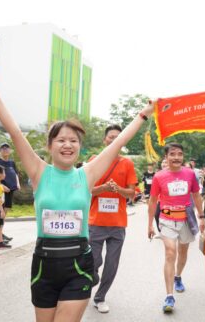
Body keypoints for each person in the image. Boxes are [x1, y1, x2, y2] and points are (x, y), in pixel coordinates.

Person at [0, 61, 155, 322]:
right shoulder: (39, 171)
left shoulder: (87, 173)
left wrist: (144, 114)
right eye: (61, 140)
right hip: (44, 265)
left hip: (79, 264)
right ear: (50, 145)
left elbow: (120, 141)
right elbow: (14, 132)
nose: (68, 145)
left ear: (79, 146)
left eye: (73, 140)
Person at [147, 143, 205, 313]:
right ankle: (169, 296)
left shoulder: (190, 174)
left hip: (186, 219)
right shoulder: (159, 176)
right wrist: (150, 224)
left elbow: (196, 196)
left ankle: (178, 276)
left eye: (180, 154)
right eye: (172, 154)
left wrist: (202, 217)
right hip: (166, 219)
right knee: (170, 252)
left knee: (183, 251)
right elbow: (152, 201)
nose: (176, 157)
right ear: (166, 157)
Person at [87, 124, 138, 314]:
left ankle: (100, 297)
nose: (114, 139)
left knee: (111, 264)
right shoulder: (94, 161)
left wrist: (118, 189)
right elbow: (86, 190)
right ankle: (90, 279)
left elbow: (132, 193)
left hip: (117, 224)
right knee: (93, 261)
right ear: (104, 140)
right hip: (96, 223)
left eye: (118, 137)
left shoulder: (127, 164)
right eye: (111, 137)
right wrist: (103, 189)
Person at [0, 143, 20, 243]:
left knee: (5, 212)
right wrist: (1, 186)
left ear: (10, 151)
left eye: (7, 148)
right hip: (1, 191)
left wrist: (18, 183)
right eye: (3, 148)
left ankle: (0, 233)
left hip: (10, 190)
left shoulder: (12, 163)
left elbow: (16, 174)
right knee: (0, 212)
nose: (5, 150)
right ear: (0, 151)